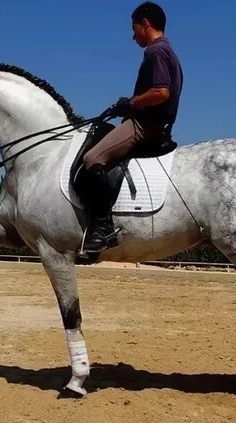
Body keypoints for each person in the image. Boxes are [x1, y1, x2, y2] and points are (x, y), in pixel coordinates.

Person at [82, 1, 184, 253]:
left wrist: (132, 102)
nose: (133, 35)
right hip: (152, 122)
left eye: (134, 28)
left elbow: (161, 92)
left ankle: (102, 227)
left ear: (145, 24)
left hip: (145, 125)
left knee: (92, 157)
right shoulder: (168, 51)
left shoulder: (156, 52)